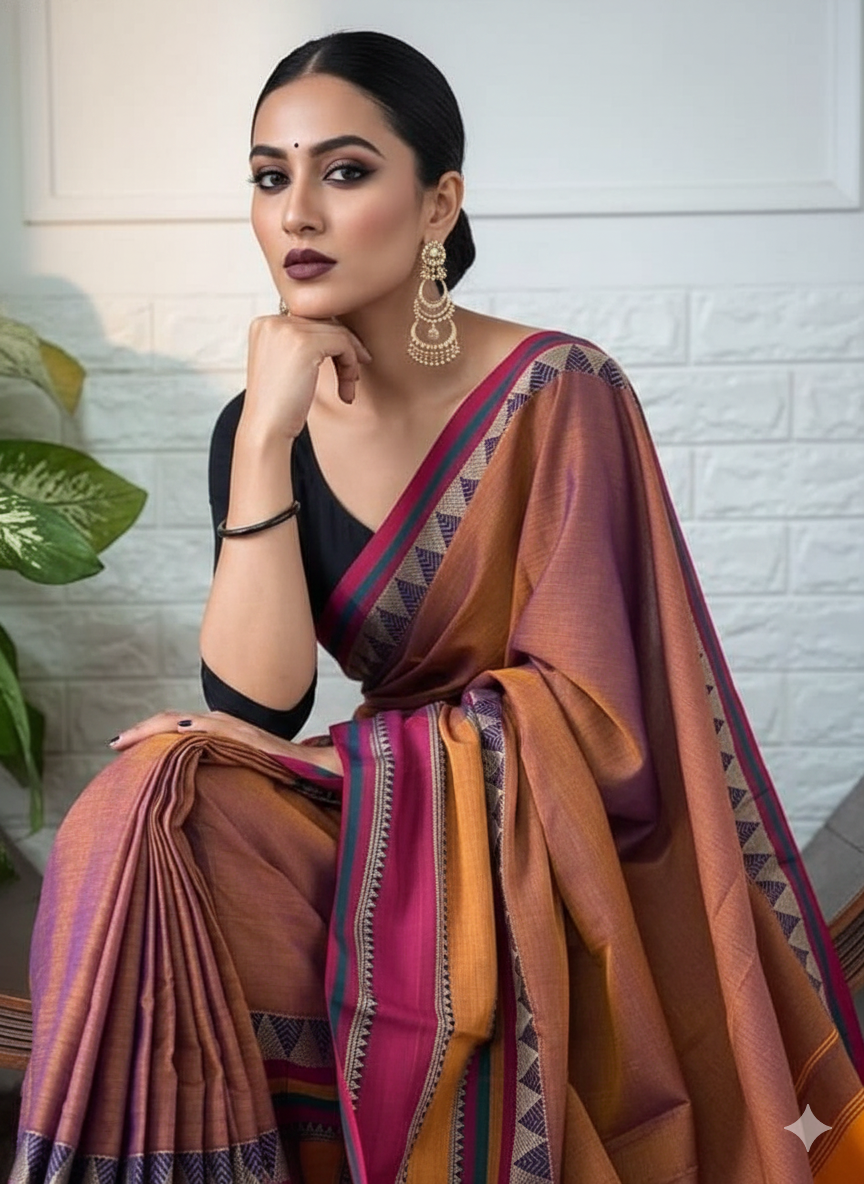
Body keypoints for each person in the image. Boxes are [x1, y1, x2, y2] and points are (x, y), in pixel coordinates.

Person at [12, 30, 864, 1184]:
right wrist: (263, 436)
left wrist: (329, 764)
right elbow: (257, 703)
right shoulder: (259, 423)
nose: (297, 212)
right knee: (147, 801)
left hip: (558, 851)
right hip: (395, 826)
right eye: (269, 176)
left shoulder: (561, 393)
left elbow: (602, 731)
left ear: (437, 204)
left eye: (344, 171)